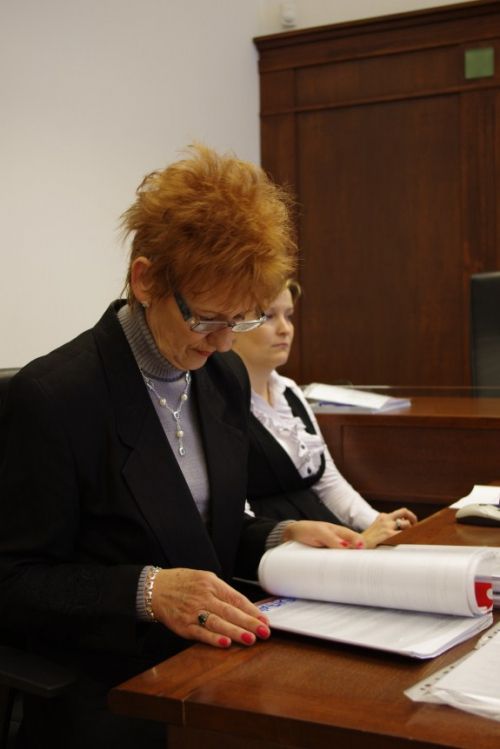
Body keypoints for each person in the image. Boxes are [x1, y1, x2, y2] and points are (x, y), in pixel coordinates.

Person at [0, 145, 365, 749]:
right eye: (208, 318)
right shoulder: (56, 397)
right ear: (145, 280)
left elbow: (196, 532)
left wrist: (279, 534)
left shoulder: (220, 375)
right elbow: (14, 579)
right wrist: (147, 592)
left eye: (242, 320)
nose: (223, 342)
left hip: (211, 660)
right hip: (111, 682)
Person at [232, 279, 418, 547]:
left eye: (289, 316)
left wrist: (378, 523)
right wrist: (358, 543)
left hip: (328, 539)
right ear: (232, 325)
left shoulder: (290, 391)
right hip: (277, 548)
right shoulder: (220, 402)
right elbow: (237, 518)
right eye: (269, 316)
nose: (285, 329)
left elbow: (328, 483)